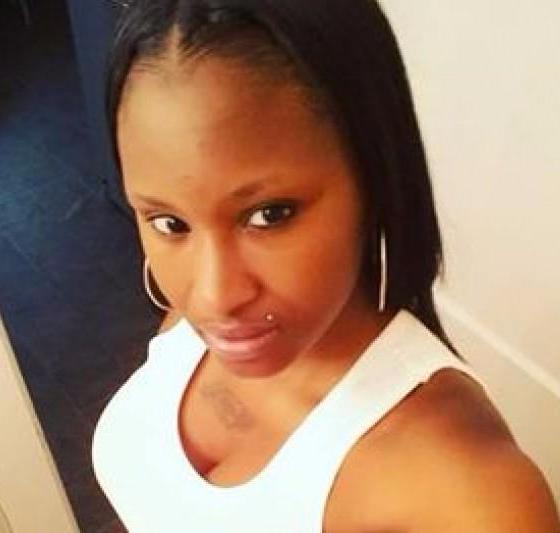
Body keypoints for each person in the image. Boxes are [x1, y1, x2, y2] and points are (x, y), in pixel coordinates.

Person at [92, 0, 560, 531]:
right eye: (170, 223)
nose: (212, 297)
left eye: (270, 215)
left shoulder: (471, 494)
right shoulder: (202, 325)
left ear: (373, 176)